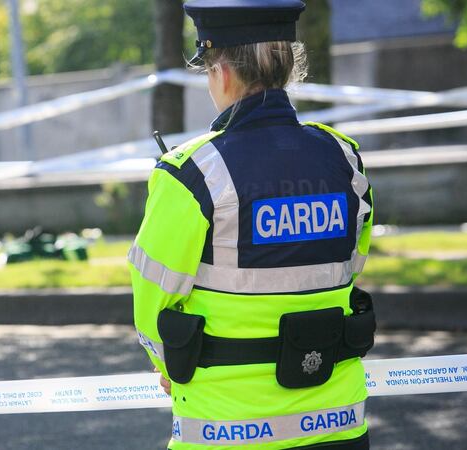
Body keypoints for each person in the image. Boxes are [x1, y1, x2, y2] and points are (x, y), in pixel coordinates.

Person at [128, 1, 376, 449]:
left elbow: (152, 293)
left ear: (220, 72)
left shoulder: (190, 173)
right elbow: (352, 262)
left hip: (227, 428)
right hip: (337, 421)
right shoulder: (344, 157)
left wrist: (165, 366)